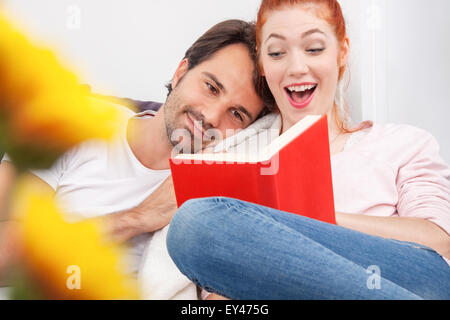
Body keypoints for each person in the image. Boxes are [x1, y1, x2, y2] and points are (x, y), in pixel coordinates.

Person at [166, 0, 450, 300]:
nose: (297, 68)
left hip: (402, 281)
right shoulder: (232, 157)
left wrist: (305, 217)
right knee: (193, 224)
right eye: (277, 53)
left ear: (342, 52)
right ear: (263, 64)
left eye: (314, 49)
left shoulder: (401, 143)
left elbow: (438, 243)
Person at [0, 19, 274, 299]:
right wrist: (136, 219)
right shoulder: (72, 124)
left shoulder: (217, 195)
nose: (213, 117)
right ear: (181, 72)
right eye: (211, 88)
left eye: (237, 114)